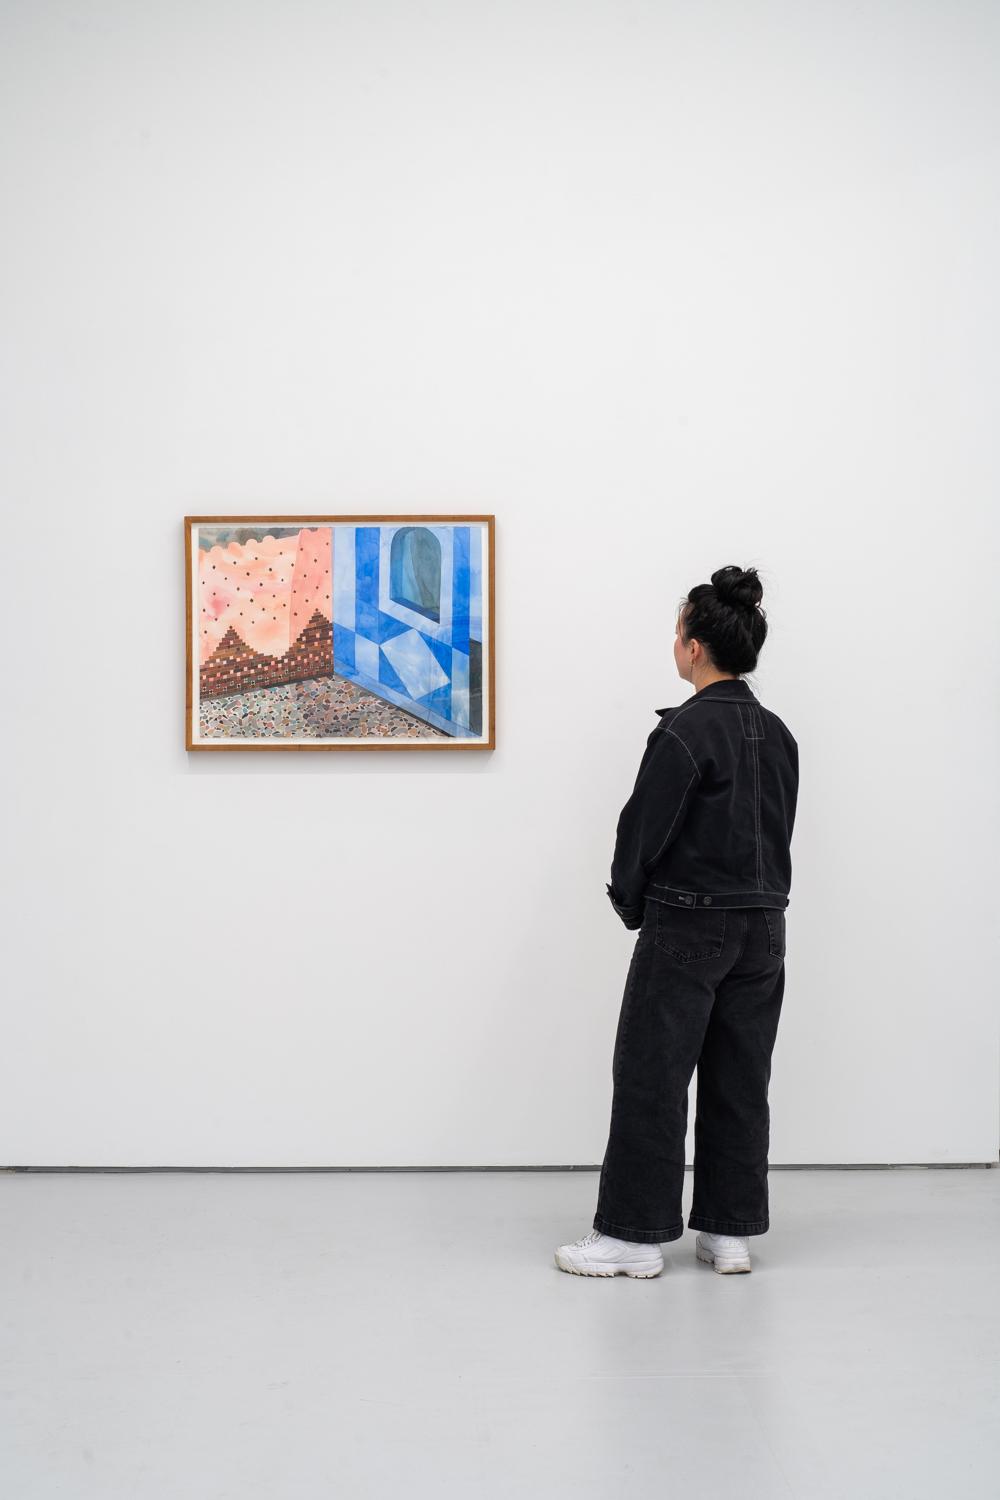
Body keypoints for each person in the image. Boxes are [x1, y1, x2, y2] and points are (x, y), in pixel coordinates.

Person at [555, 564, 799, 1278]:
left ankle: (632, 1237)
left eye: (677, 633)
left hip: (689, 925)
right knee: (739, 1079)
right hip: (765, 928)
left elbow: (643, 831)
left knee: (652, 1076)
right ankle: (728, 1235)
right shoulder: (779, 734)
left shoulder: (685, 731)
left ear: (694, 646)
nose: (675, 644)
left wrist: (631, 903)